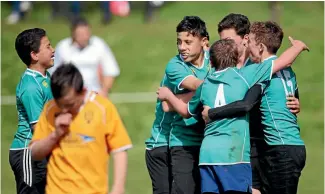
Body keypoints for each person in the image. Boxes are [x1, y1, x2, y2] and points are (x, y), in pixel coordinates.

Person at [157, 34, 308, 194]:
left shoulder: (205, 84)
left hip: (207, 156)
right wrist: (297, 47)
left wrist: (169, 97)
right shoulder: (245, 75)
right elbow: (282, 62)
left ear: (212, 62)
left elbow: (187, 111)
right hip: (234, 155)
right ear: (237, 60)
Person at [207, 21, 307, 194]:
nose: (247, 47)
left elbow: (245, 104)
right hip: (291, 146)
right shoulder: (289, 71)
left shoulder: (263, 71)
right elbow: (292, 98)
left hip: (281, 148)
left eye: (250, 44)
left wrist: (211, 113)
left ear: (260, 47)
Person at [29, 63, 132, 194]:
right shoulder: (50, 109)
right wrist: (55, 134)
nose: (64, 110)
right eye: (60, 105)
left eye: (70, 104)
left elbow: (120, 150)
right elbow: (34, 153)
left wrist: (118, 188)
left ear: (83, 91)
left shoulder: (102, 108)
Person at [145, 16, 210, 194]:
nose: (182, 47)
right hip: (163, 144)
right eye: (179, 42)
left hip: (194, 141)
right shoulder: (175, 66)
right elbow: (200, 86)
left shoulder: (213, 59)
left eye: (188, 42)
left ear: (204, 42)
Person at [9, 28, 55, 194]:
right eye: (48, 47)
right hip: (28, 152)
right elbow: (39, 128)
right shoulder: (30, 86)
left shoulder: (45, 78)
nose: (53, 50)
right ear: (34, 55)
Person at [49, 17, 120, 97]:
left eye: (86, 33)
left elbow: (110, 70)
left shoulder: (99, 44)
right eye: (80, 34)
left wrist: (104, 90)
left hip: (94, 94)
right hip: (69, 96)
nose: (84, 37)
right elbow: (53, 73)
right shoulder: (63, 47)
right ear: (73, 33)